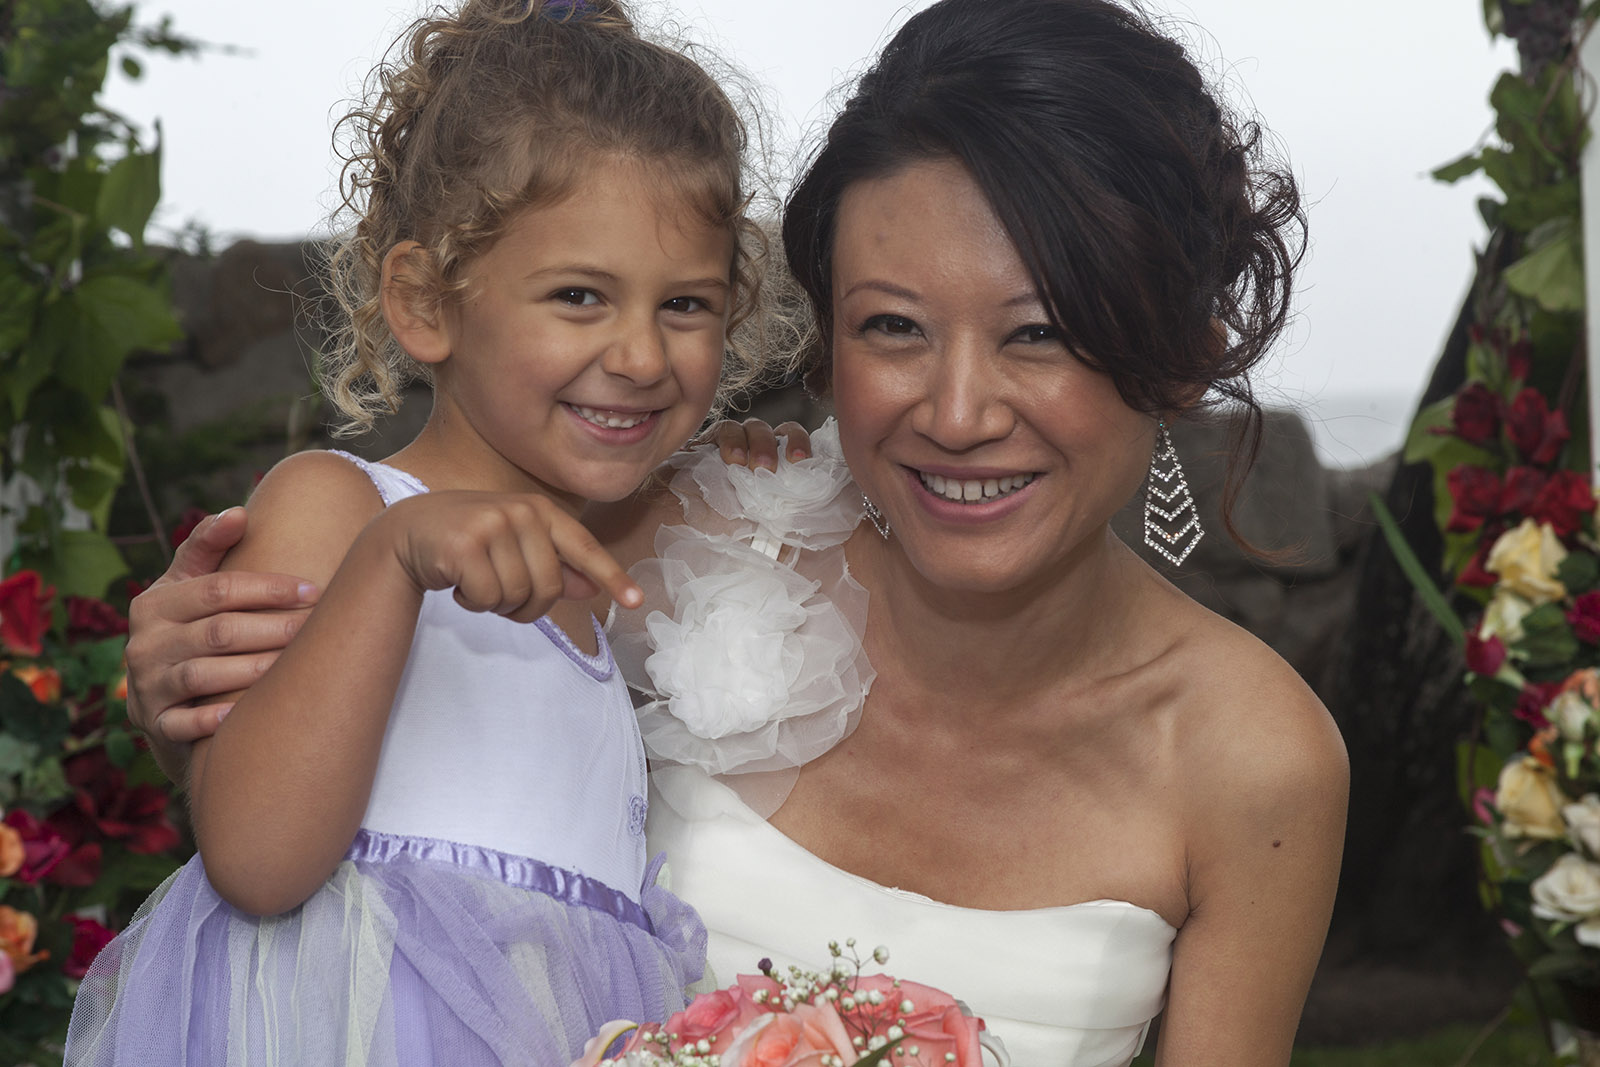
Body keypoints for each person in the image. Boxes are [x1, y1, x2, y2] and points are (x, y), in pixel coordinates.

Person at [116, 0, 1349, 1064]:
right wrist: (198, 694)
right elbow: (346, 794)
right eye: (892, 327)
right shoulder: (668, 535)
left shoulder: (1255, 761)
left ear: (1176, 354)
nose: (958, 413)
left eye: (1039, 332)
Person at [63, 2, 776, 1064]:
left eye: (686, 305)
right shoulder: (342, 508)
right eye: (579, 295)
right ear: (425, 303)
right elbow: (256, 858)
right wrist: (394, 563)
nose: (640, 354)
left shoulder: (606, 569)